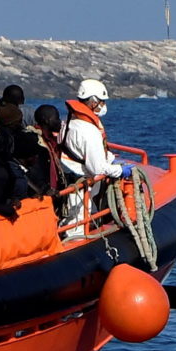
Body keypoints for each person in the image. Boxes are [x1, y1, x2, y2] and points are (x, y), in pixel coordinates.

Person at [60, 80, 125, 235]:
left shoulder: (69, 120)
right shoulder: (88, 130)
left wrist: (109, 157)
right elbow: (96, 168)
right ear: (93, 101)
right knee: (76, 223)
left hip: (69, 174)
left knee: (85, 212)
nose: (103, 105)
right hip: (80, 182)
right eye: (102, 101)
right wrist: (119, 170)